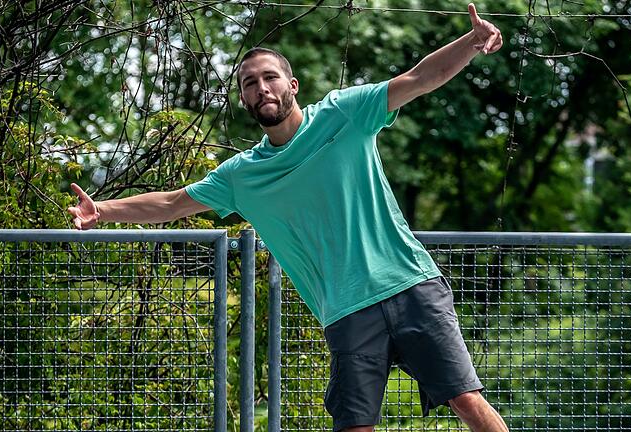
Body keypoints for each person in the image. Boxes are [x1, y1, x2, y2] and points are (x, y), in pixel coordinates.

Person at [68, 4, 507, 431]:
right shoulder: (242, 176)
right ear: (243, 99)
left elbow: (418, 79)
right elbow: (172, 204)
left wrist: (471, 42)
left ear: (292, 85)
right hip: (346, 310)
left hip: (410, 284)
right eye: (249, 83)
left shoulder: (345, 113)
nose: (261, 87)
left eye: (270, 77)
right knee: (355, 425)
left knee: (465, 399)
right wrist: (101, 209)